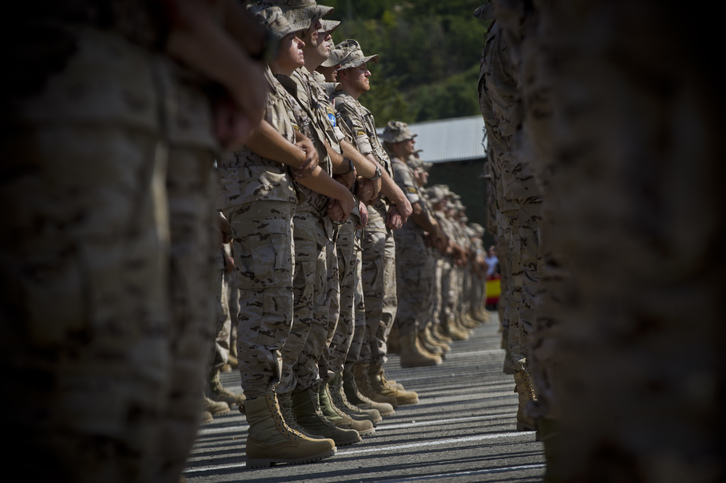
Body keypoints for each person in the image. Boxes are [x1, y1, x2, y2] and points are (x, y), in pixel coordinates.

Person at [218, 5, 350, 468]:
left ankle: (276, 420)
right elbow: (255, 129)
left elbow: (299, 140)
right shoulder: (242, 71)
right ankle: (264, 426)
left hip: (275, 198)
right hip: (256, 199)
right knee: (266, 309)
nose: (301, 38)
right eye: (291, 33)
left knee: (281, 309)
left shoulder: (268, 80)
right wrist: (299, 152)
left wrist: (305, 148)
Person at [331, 39, 419, 408]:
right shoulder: (343, 105)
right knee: (369, 300)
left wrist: (391, 196)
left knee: (379, 298)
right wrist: (398, 197)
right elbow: (369, 164)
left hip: (372, 208)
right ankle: (363, 377)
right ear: (343, 73)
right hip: (362, 210)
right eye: (360, 66)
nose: (368, 71)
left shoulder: (355, 107)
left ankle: (371, 374)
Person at [381, 121, 445, 368]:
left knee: (420, 289)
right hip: (407, 241)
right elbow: (416, 209)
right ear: (397, 142)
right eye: (409, 139)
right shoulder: (399, 168)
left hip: (411, 239)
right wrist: (435, 231)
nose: (413, 143)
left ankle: (415, 341)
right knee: (412, 289)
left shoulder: (401, 166)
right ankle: (409, 347)